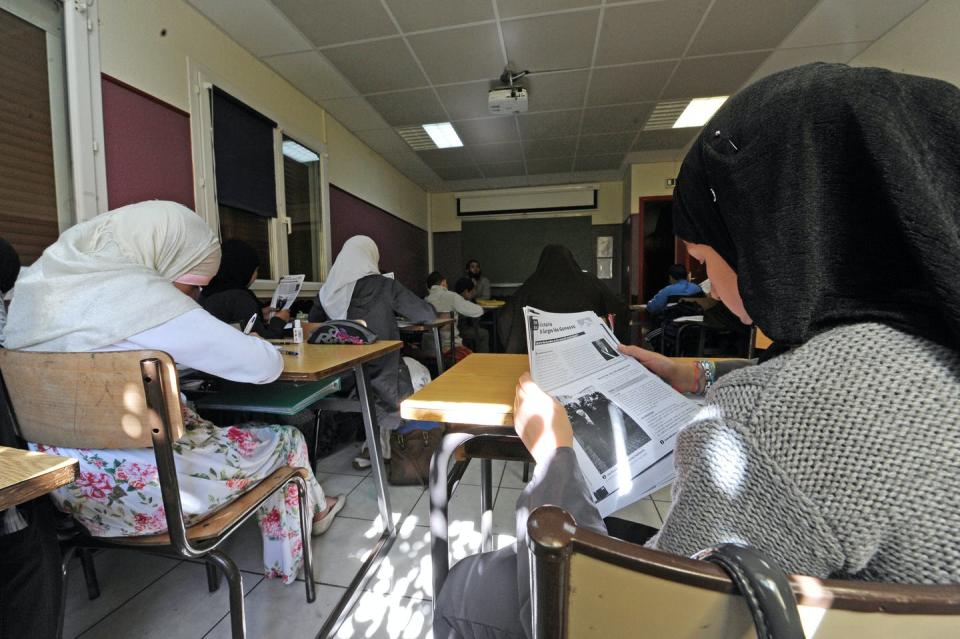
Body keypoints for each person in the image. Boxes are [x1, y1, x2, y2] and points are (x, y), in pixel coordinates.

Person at [433, 63, 960, 638]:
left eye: (707, 262)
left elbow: (618, 620)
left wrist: (556, 453)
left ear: (773, 243)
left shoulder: (773, 419)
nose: (709, 283)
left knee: (466, 589)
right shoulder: (919, 345)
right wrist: (692, 372)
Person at [2, 201, 345, 585]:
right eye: (194, 284)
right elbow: (265, 366)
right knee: (288, 438)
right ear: (164, 259)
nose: (195, 296)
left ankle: (317, 507)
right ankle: (291, 566)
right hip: (159, 495)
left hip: (71, 500)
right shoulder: (143, 300)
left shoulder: (31, 300)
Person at [309, 236, 436, 468]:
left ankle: (372, 442)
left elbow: (314, 325)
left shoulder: (327, 291)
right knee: (419, 371)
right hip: (380, 377)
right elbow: (426, 315)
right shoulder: (384, 285)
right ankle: (392, 440)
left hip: (340, 381)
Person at [498, 245, 629, 353]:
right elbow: (617, 308)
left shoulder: (530, 285)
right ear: (572, 259)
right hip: (588, 352)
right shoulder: (590, 281)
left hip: (543, 356)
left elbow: (506, 319)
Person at [199, 239, 289, 338]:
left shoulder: (203, 294)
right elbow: (264, 341)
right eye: (255, 270)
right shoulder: (239, 298)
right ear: (244, 270)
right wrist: (279, 320)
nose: (256, 276)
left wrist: (260, 313)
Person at [423, 271, 487, 360]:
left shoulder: (425, 301)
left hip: (429, 349)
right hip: (450, 348)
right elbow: (478, 311)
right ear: (443, 282)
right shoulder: (452, 297)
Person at [453, 277, 490, 353]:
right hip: (460, 331)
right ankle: (482, 359)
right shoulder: (462, 302)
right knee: (484, 334)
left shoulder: (454, 297)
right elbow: (478, 311)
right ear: (466, 291)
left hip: (456, 331)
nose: (474, 293)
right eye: (473, 290)